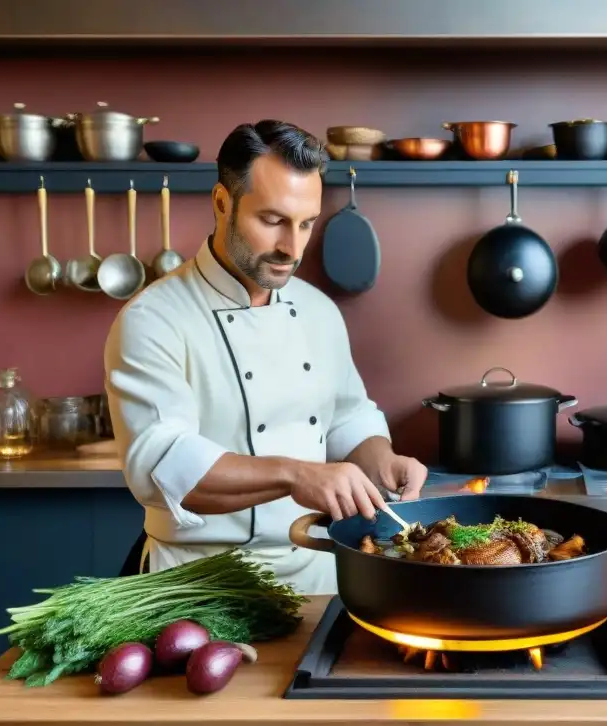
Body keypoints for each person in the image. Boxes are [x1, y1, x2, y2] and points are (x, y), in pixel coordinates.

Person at [103, 120, 428, 594]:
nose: (291, 248)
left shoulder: (318, 310)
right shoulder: (154, 319)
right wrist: (294, 474)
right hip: (196, 583)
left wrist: (383, 463)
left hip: (318, 572)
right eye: (272, 220)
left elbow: (344, 417)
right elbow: (165, 466)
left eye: (305, 224)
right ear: (222, 203)